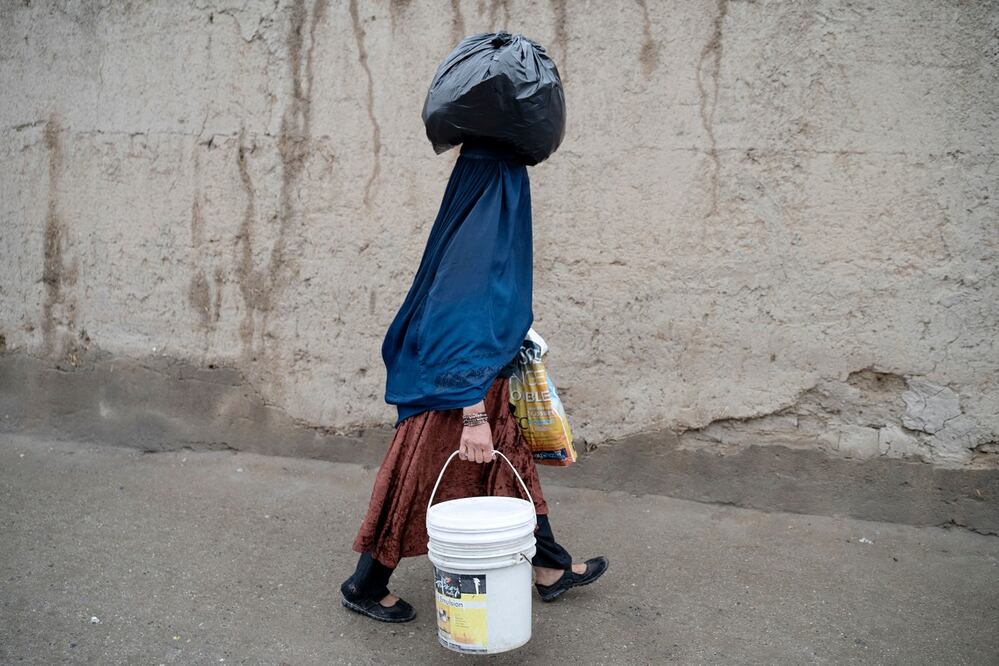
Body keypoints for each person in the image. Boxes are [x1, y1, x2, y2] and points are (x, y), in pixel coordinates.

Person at [340, 139, 608, 623]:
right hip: (457, 384)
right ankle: (366, 585)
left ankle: (549, 566)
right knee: (416, 478)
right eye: (514, 179)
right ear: (501, 185)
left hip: (479, 376)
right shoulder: (484, 225)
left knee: (509, 468)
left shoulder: (477, 209)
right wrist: (472, 412)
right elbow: (455, 314)